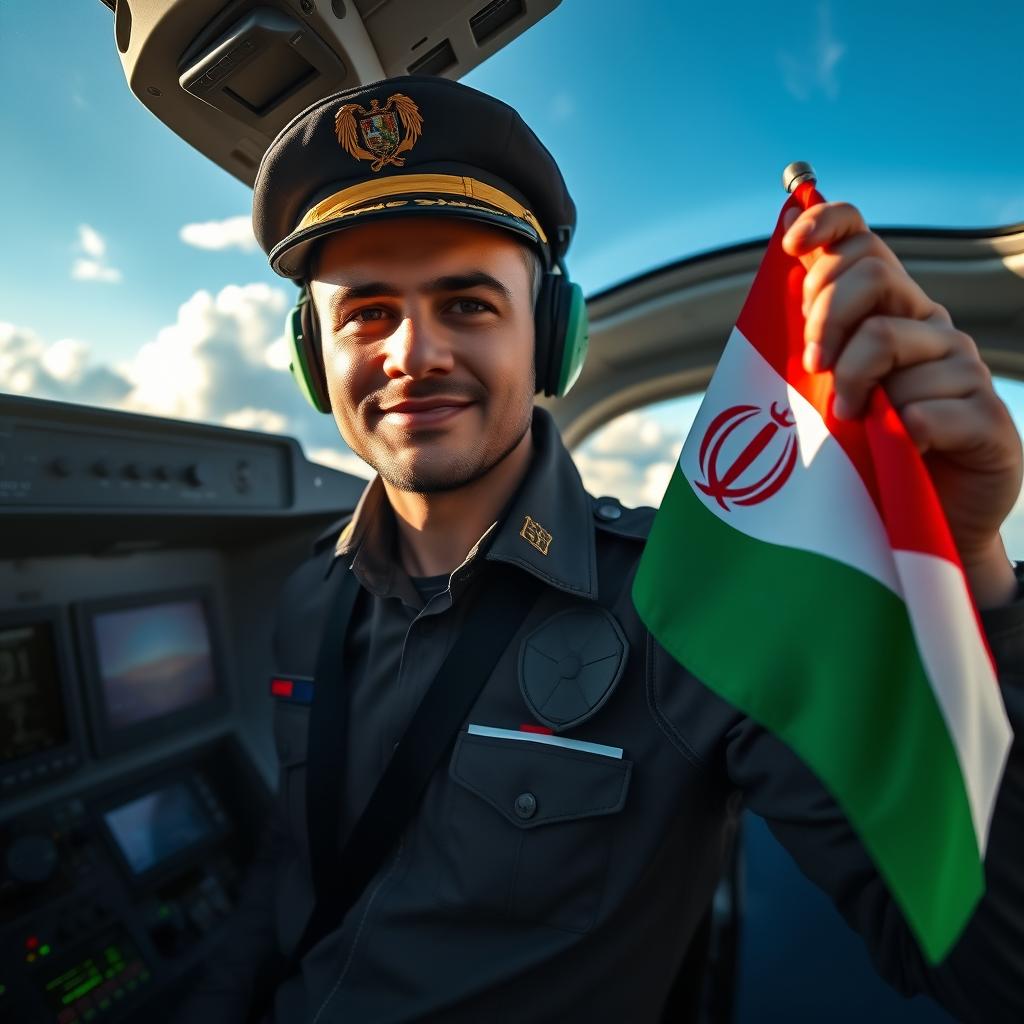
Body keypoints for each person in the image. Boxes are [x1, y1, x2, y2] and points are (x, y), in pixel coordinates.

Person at [178, 75, 1024, 1023]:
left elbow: (992, 962)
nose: (413, 352)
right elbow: (289, 879)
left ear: (551, 340)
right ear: (311, 356)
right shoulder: (308, 597)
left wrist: (976, 576)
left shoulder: (694, 611)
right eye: (367, 312)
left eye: (467, 304)